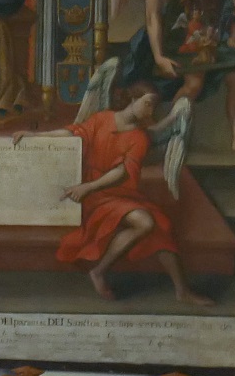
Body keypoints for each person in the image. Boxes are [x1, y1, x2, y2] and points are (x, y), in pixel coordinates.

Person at [43, 88, 215, 305]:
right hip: (95, 195)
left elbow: (122, 172)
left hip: (115, 192)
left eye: (153, 107)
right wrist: (36, 136)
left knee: (160, 225)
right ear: (133, 98)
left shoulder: (139, 137)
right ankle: (99, 271)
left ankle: (182, 291)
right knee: (146, 222)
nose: (149, 111)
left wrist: (89, 186)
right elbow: (73, 133)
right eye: (147, 103)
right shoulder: (102, 119)